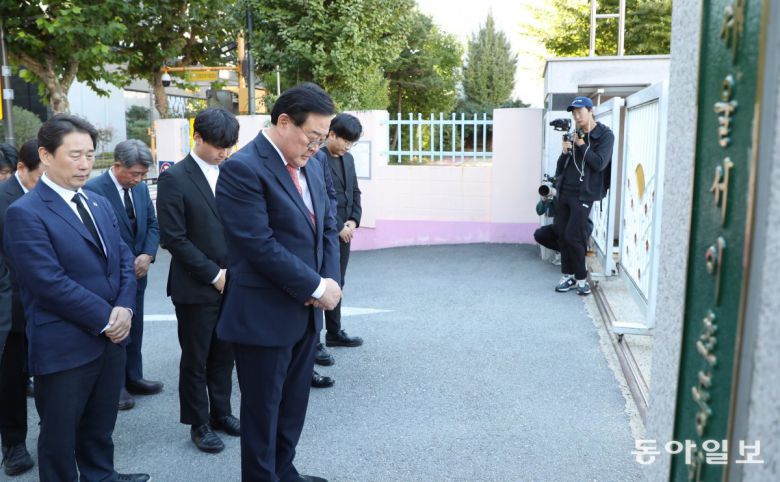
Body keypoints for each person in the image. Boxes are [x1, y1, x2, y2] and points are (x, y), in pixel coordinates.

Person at [2, 115, 148, 481]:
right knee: (59, 437)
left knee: (100, 427)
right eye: (75, 155)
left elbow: (124, 260)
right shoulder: (25, 212)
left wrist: (126, 308)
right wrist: (108, 319)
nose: (85, 164)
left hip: (110, 339)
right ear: (46, 156)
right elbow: (47, 283)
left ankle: (101, 475)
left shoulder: (97, 203)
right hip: (64, 345)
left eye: (89, 154)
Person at [215, 82, 341, 482]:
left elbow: (326, 227)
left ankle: (285, 472)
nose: (316, 148)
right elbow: (257, 245)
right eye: (312, 137)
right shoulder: (243, 169)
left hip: (306, 314)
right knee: (262, 412)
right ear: (284, 121)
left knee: (293, 406)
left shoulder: (314, 165)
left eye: (322, 140)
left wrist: (330, 283)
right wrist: (315, 287)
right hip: (264, 316)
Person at [156, 108, 240, 454]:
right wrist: (213, 275)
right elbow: (174, 238)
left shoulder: (231, 171)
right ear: (198, 138)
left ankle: (222, 412)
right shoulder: (175, 177)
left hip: (233, 281)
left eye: (229, 146)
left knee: (225, 354)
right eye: (219, 146)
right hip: (196, 286)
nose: (224, 153)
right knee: (196, 358)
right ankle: (199, 422)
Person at [86, 140, 162, 411]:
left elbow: (153, 224)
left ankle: (134, 376)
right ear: (117, 166)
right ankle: (114, 385)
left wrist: (148, 254)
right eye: (134, 173)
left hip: (138, 272)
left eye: (143, 174)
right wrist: (125, 261)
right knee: (113, 330)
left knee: (136, 326)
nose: (139, 179)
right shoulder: (93, 189)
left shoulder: (140, 189)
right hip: (109, 276)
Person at [0, 139, 44, 476]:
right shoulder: (4, 199)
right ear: (22, 168)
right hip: (13, 308)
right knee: (12, 379)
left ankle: (55, 435)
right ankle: (13, 444)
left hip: (49, 307)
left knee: (50, 374)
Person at [552, 96, 614, 296]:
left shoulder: (605, 135)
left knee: (574, 235)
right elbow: (560, 168)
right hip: (565, 191)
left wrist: (580, 144)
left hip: (585, 193)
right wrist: (564, 152)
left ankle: (581, 279)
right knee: (561, 233)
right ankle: (568, 275)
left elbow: (599, 163)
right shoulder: (574, 134)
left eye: (580, 112)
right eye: (574, 113)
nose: (577, 116)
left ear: (590, 111)